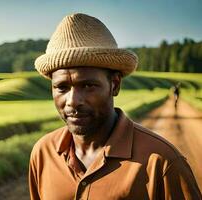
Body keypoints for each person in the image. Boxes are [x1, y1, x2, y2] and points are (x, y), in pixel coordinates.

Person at [29, 13, 201, 200]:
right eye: (62, 87)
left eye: (88, 86)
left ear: (115, 85)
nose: (73, 101)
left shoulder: (162, 162)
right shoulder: (43, 153)